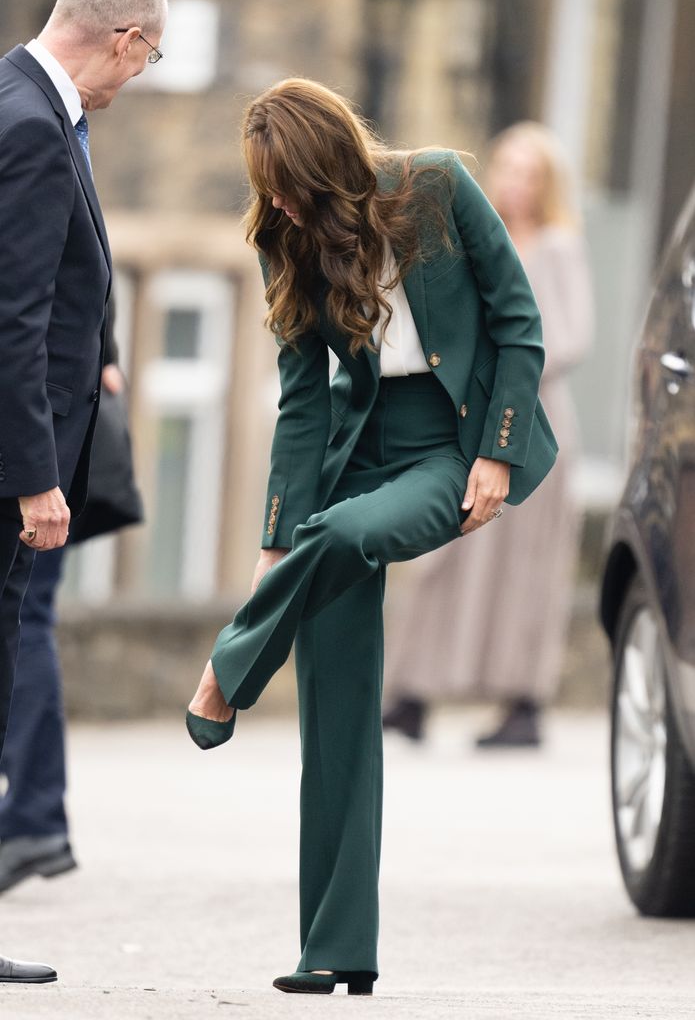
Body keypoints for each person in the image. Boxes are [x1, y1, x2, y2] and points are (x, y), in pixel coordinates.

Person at [186, 79, 557, 996]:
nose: (273, 202)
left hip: (447, 448)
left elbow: (518, 321)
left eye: (285, 183)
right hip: (354, 450)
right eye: (264, 188)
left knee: (350, 532)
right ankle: (334, 948)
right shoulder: (290, 236)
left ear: (325, 161)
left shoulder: (434, 188)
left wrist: (497, 455)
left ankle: (228, 668)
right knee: (339, 714)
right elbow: (305, 400)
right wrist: (277, 542)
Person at [0, 0, 167, 985]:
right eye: (146, 58)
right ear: (122, 38)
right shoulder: (28, 123)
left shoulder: (28, 104)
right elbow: (12, 321)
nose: (138, 77)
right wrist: (33, 482)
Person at [382, 121, 593, 747]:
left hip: (535, 421)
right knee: (445, 553)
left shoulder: (557, 246)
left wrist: (509, 358)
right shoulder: (475, 235)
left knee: (527, 570)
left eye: (530, 173)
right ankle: (414, 692)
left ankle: (523, 702)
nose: (515, 184)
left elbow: (571, 337)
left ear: (548, 184)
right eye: (508, 169)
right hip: (469, 415)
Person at [0, 306, 143, 894]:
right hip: (45, 443)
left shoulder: (37, 207)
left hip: (37, 451)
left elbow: (29, 309)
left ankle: (34, 815)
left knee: (24, 616)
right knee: (29, 615)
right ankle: (35, 816)